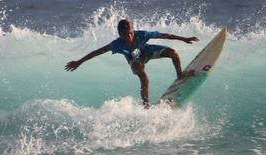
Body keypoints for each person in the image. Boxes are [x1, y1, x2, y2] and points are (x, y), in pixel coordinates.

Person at [65, 19, 199, 107]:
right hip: (134, 61)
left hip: (147, 51)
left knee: (173, 53)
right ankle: (145, 105)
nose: (128, 36)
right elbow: (97, 52)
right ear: (119, 33)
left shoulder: (143, 34)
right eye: (124, 34)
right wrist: (79, 62)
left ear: (133, 29)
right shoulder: (116, 44)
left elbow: (164, 35)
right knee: (141, 72)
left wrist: (184, 39)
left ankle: (180, 75)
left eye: (130, 33)